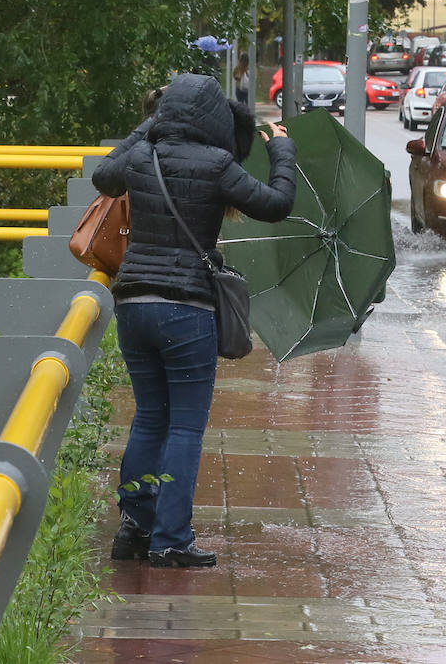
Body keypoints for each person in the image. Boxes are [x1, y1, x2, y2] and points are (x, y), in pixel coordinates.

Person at [93, 72, 296, 568]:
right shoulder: (217, 165)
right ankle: (170, 540)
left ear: (166, 114)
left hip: (134, 304)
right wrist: (282, 153)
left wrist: (150, 125)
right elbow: (277, 205)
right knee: (184, 427)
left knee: (148, 418)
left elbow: (103, 176)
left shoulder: (141, 157)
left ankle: (133, 528)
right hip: (187, 310)